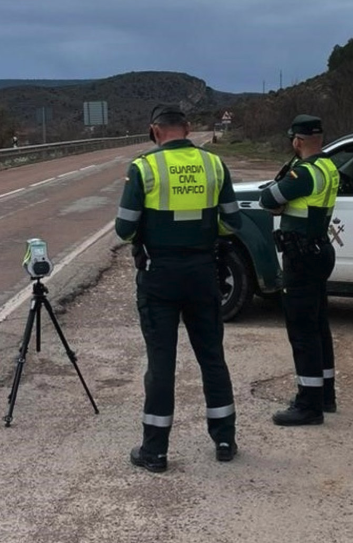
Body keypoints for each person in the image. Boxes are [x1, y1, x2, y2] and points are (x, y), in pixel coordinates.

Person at [115, 104, 242, 472]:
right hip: (203, 273)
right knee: (212, 357)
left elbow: (124, 229)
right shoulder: (214, 164)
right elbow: (232, 222)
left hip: (160, 275)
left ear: (155, 131)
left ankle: (155, 451)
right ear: (187, 129)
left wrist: (155, 233)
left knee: (161, 363)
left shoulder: (144, 167)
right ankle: (224, 440)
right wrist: (202, 232)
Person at [260, 114, 339, 426]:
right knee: (318, 326)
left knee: (302, 331)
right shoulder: (328, 167)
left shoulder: (304, 172)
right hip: (320, 250)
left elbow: (268, 198)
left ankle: (308, 405)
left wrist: (278, 194)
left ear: (297, 141)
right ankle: (325, 395)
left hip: (301, 256)